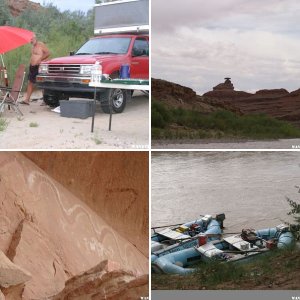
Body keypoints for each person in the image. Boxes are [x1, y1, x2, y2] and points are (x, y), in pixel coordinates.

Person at [19, 34, 50, 105]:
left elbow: (48, 53)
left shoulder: (41, 44)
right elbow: (34, 55)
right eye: (29, 40)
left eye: (31, 39)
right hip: (32, 67)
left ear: (35, 38)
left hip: (38, 66)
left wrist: (40, 59)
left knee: (42, 83)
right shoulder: (33, 47)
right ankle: (27, 100)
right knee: (30, 82)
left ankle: (45, 100)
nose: (31, 41)